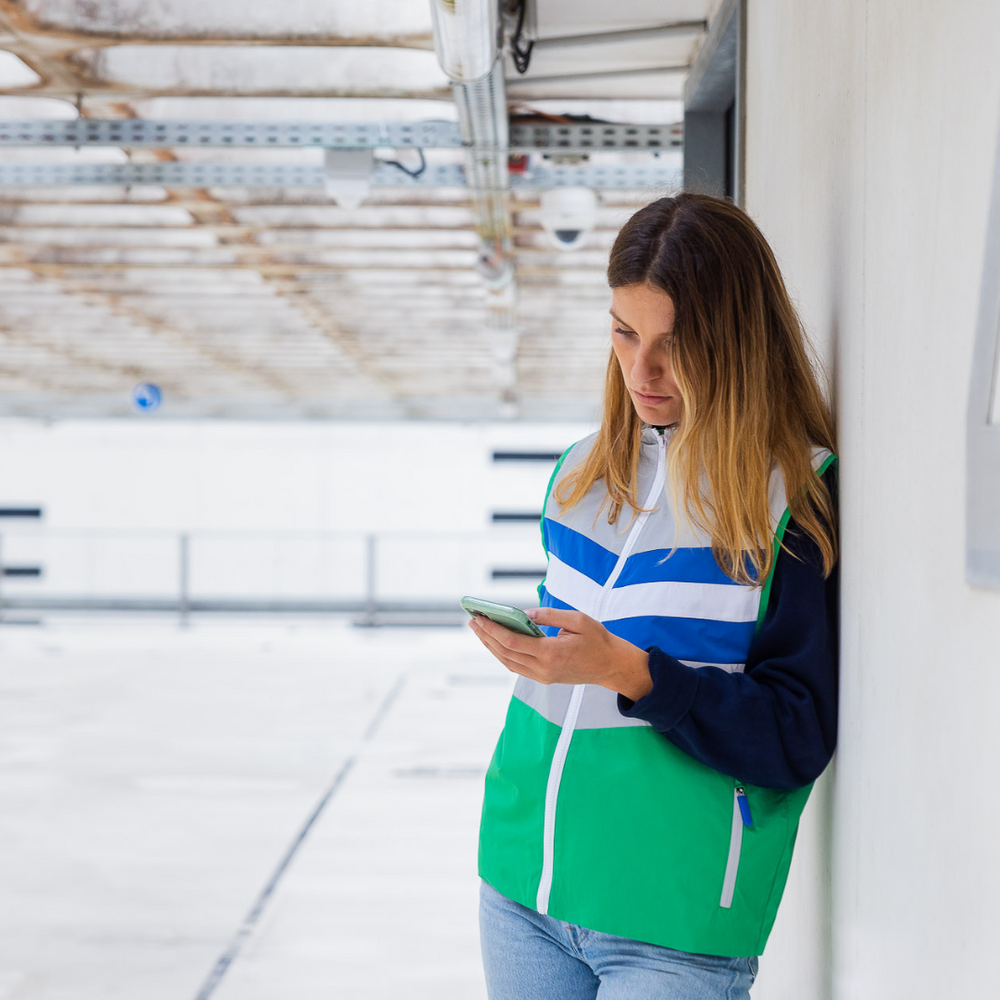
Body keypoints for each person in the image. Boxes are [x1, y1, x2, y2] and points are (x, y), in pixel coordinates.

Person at [468, 191, 839, 999]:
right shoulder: (577, 477)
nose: (643, 371)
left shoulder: (792, 503)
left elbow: (796, 735)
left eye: (676, 344)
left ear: (736, 341)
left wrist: (632, 672)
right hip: (522, 885)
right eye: (624, 333)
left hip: (672, 923)